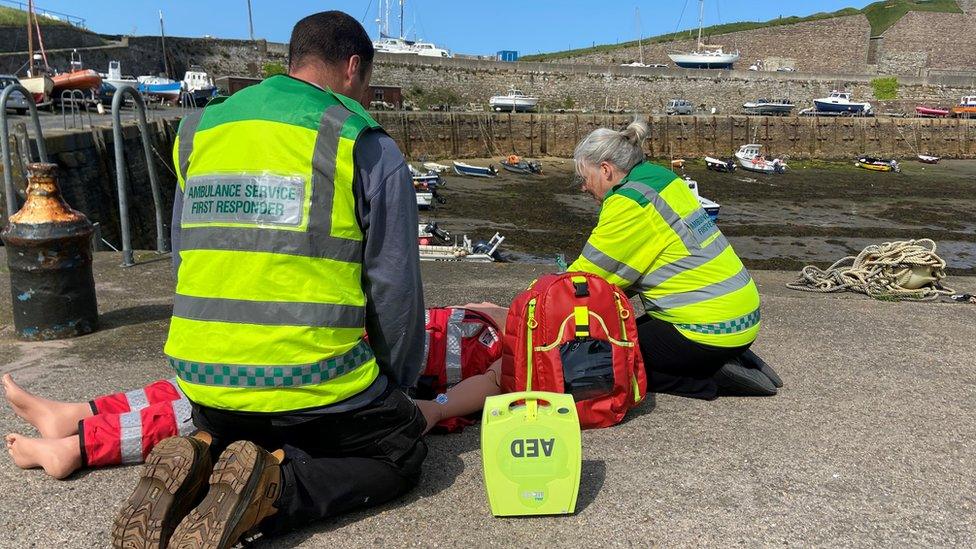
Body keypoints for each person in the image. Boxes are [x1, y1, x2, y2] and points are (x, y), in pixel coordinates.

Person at [102, 11, 426, 548]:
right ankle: (278, 488)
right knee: (400, 450)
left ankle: (204, 466)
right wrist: (397, 385)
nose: (364, 96)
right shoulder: (361, 142)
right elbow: (393, 287)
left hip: (206, 383)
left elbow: (186, 258)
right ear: (352, 68)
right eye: (366, 82)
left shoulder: (199, 130)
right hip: (317, 386)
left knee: (243, 433)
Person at [568, 118, 782, 400]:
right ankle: (729, 357)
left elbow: (583, 281)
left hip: (708, 328)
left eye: (585, 178)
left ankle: (712, 379)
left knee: (601, 362)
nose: (584, 187)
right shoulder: (661, 178)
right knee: (627, 333)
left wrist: (524, 306)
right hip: (740, 315)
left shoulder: (629, 203)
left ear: (606, 170)